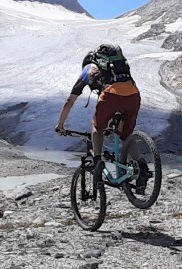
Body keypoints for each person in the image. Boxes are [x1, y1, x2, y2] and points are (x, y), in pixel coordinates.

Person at [55, 45, 141, 185]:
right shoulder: (120, 69)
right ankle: (141, 165)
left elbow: (69, 102)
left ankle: (98, 162)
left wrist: (60, 125)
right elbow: (124, 93)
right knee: (125, 135)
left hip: (111, 96)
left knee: (97, 128)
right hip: (134, 95)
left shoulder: (88, 71)